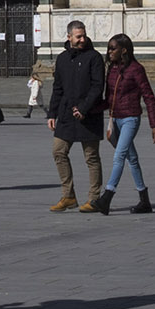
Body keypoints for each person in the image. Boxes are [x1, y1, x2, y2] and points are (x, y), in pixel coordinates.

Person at [46, 20, 106, 213]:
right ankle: (68, 195)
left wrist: (84, 108)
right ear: (69, 37)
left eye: (83, 35)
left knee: (91, 157)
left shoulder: (94, 57)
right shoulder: (62, 59)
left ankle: (94, 199)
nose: (82, 39)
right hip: (65, 115)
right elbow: (58, 88)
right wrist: (52, 113)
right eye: (78, 36)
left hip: (88, 116)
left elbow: (98, 87)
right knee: (58, 151)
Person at [103, 34, 155, 210]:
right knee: (131, 158)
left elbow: (149, 96)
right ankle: (144, 200)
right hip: (114, 118)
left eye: (113, 48)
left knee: (119, 156)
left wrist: (154, 125)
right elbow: (108, 97)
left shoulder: (136, 69)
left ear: (124, 50)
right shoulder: (111, 69)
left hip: (130, 118)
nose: (109, 52)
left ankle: (107, 196)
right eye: (109, 48)